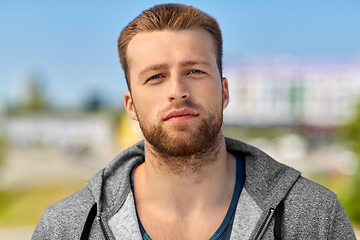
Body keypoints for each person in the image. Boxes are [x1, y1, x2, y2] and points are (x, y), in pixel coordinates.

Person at [32, 3, 356, 240]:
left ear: (224, 91)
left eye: (195, 71)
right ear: (130, 105)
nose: (177, 91)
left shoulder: (314, 218)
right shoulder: (66, 228)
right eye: (156, 76)